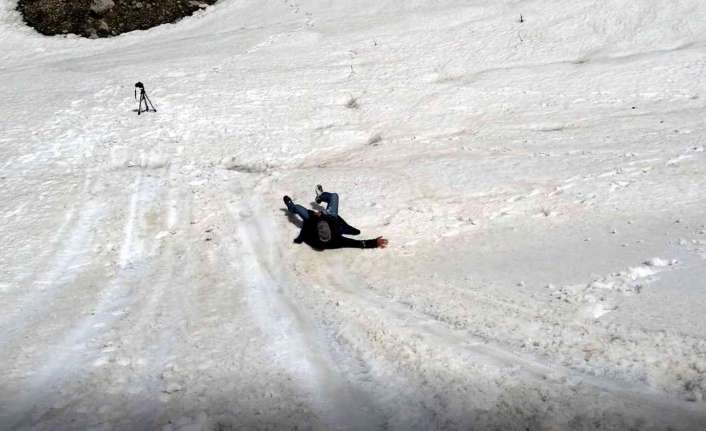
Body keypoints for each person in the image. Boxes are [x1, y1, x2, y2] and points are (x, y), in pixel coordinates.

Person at [283, 185, 388, 250]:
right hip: (330, 217)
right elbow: (357, 243)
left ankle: (292, 206)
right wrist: (374, 243)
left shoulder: (313, 235)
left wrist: (319, 216)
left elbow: (308, 225)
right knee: (334, 197)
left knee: (299, 208)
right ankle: (319, 197)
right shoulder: (336, 241)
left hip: (316, 219)